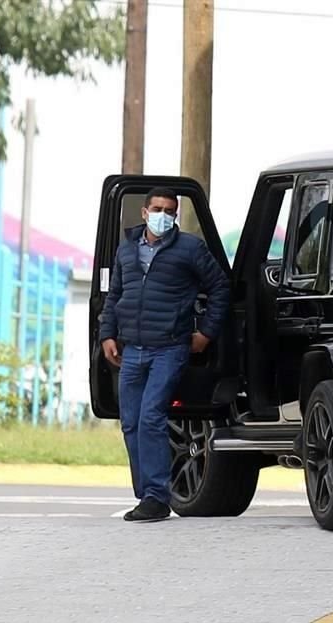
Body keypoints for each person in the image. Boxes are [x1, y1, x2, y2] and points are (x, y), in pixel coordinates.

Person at [99, 187, 229, 522]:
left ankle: (156, 497)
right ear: (144, 213)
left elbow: (220, 287)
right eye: (157, 208)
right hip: (132, 349)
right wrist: (106, 335)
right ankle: (146, 495)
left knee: (152, 417)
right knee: (130, 422)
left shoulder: (190, 248)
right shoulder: (127, 249)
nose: (163, 215)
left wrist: (206, 334)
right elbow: (115, 295)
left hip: (170, 348)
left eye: (170, 210)